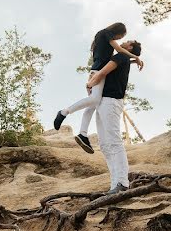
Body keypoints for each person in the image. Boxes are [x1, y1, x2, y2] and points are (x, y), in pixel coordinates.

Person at [53, 23, 143, 153]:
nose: (121, 39)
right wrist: (136, 57)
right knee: (94, 100)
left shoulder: (104, 36)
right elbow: (120, 52)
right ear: (118, 31)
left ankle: (83, 134)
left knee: (93, 104)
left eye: (125, 39)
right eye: (122, 36)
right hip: (98, 71)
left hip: (98, 69)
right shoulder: (106, 34)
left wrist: (134, 60)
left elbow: (119, 60)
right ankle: (64, 112)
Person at [88, 40, 141, 194]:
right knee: (104, 145)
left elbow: (102, 72)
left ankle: (123, 183)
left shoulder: (120, 57)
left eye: (127, 41)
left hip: (111, 102)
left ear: (130, 47)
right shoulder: (123, 58)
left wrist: (90, 84)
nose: (123, 42)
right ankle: (114, 185)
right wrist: (135, 59)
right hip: (104, 102)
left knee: (114, 141)